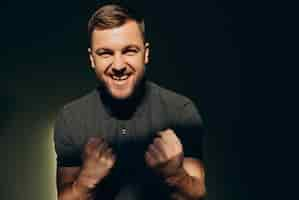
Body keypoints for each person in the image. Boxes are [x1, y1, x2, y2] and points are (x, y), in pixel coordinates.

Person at [54, 2, 206, 200]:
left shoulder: (180, 111)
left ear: (146, 53)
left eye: (129, 51)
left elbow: (198, 195)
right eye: (106, 53)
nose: (118, 65)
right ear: (92, 59)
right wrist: (87, 179)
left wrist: (175, 175)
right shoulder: (71, 118)